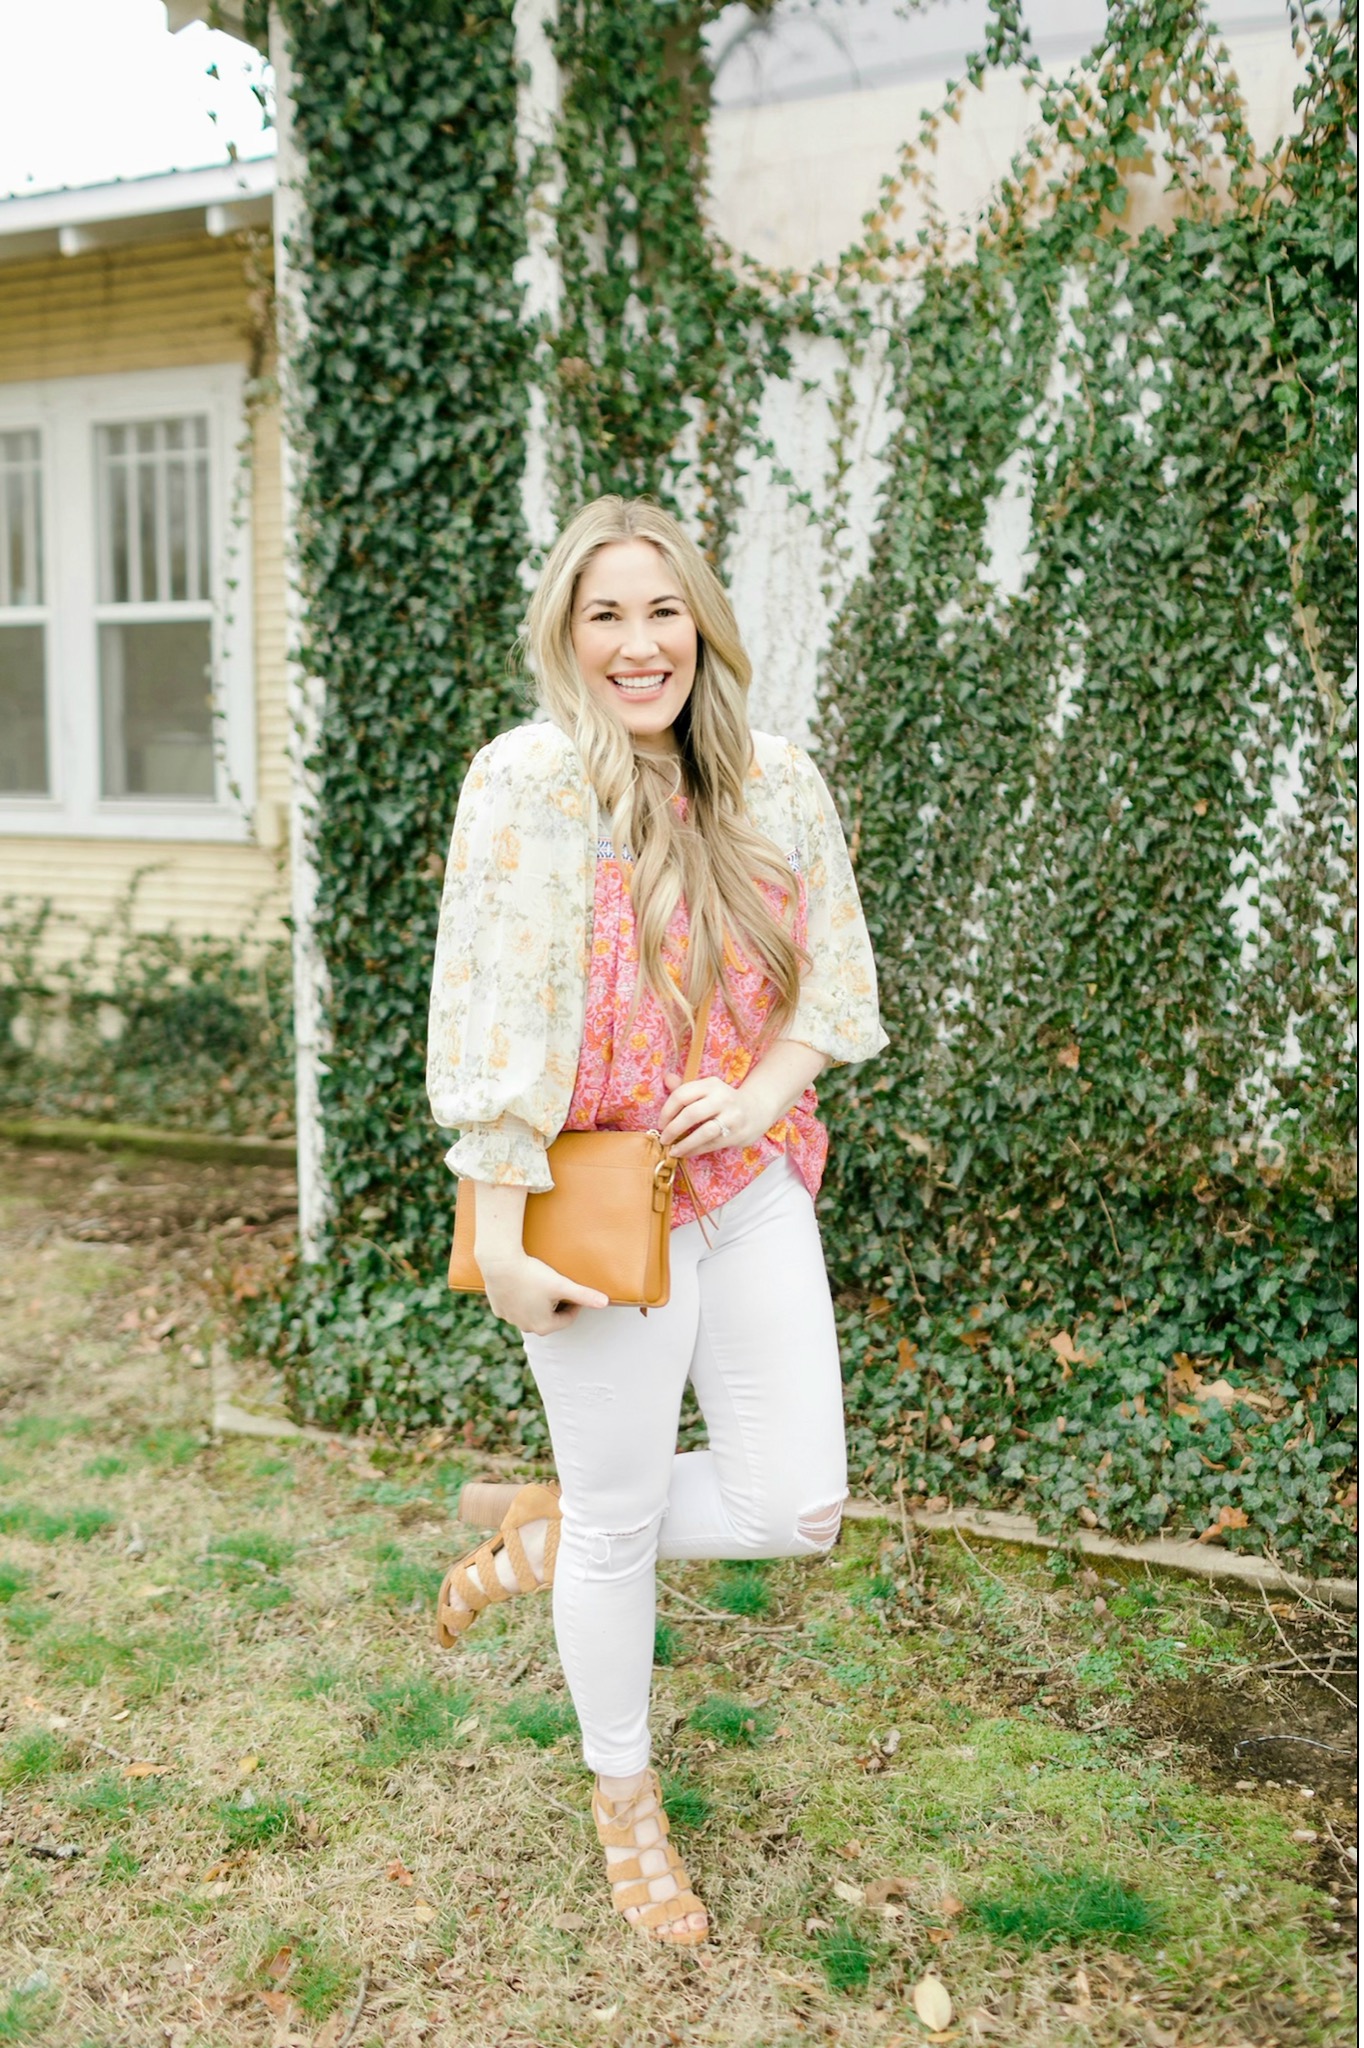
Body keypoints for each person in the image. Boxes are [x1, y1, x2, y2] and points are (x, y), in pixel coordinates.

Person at [425, 495, 886, 1946]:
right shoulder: (530, 784)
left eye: (662, 610)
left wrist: (760, 1100)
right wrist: (500, 1239)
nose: (639, 644)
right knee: (628, 1520)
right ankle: (626, 1802)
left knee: (797, 1506)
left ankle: (560, 1534)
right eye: (604, 614)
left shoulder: (777, 781)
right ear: (567, 634)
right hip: (596, 1202)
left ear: (702, 622)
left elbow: (835, 984)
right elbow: (493, 1010)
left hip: (744, 1186)